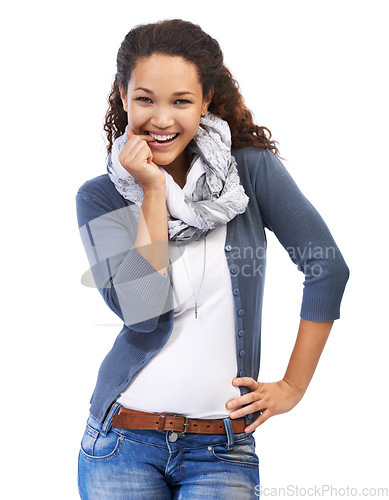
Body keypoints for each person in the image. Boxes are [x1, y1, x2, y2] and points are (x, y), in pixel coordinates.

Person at [76, 19, 349, 499]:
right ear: (123, 96)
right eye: (145, 99)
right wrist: (153, 191)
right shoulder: (101, 198)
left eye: (180, 101)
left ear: (206, 100)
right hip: (120, 444)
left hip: (222, 449)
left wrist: (293, 387)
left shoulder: (249, 171)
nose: (161, 119)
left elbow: (327, 265)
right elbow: (141, 313)